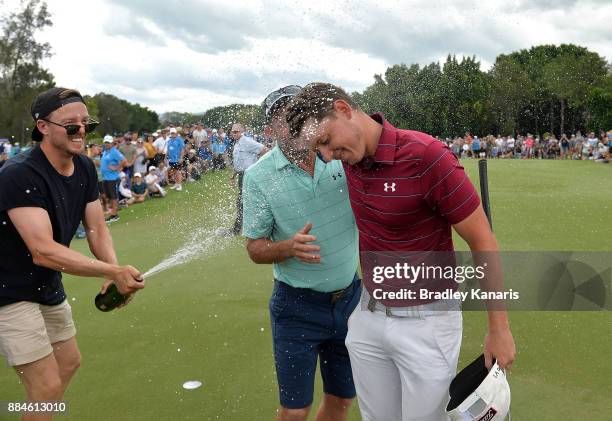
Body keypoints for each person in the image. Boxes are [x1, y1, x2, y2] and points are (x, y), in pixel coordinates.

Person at [287, 83, 516, 421]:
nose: (325, 155)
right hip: (367, 316)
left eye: (324, 141)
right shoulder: (350, 160)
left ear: (343, 109)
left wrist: (499, 329)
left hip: (427, 324)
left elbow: (483, 241)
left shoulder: (427, 156)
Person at [0, 87, 144, 420]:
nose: (81, 131)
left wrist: (112, 269)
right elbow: (43, 250)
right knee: (46, 387)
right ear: (43, 126)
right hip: (8, 291)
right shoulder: (18, 174)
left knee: (68, 362)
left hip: (45, 285)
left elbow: (96, 228)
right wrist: (110, 272)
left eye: (85, 124)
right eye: (71, 125)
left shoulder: (83, 167)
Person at [243, 86, 360, 421]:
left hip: (351, 300)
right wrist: (287, 248)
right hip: (297, 308)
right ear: (269, 130)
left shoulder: (340, 156)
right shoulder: (258, 177)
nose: (295, 123)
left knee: (341, 399)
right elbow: (254, 247)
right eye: (284, 118)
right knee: (295, 412)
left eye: (301, 114)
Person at [230, 123, 267, 235]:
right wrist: (233, 175)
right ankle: (241, 228)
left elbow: (264, 150)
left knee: (242, 202)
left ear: (242, 132)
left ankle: (237, 230)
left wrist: (259, 168)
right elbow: (239, 162)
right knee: (244, 201)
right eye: (232, 131)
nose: (233, 133)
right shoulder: (237, 143)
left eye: (236, 131)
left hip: (249, 175)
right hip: (242, 175)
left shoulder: (246, 141)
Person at [100, 135, 128, 222]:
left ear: (112, 143)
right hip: (106, 178)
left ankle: (114, 215)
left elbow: (124, 161)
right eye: (106, 142)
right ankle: (113, 213)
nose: (107, 144)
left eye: (108, 142)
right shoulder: (105, 151)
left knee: (113, 197)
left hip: (112, 178)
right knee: (107, 197)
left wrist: (116, 168)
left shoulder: (114, 151)